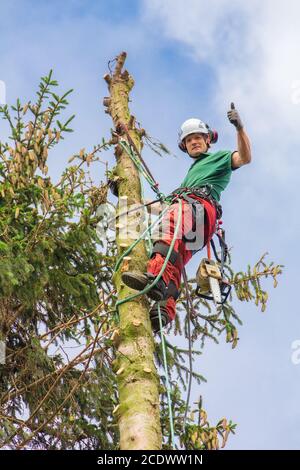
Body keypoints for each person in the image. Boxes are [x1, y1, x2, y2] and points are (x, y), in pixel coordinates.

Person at [121, 103, 252, 332]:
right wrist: (128, 198)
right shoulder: (189, 178)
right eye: (189, 140)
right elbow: (164, 207)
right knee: (176, 257)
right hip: (195, 219)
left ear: (208, 140)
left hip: (199, 208)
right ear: (184, 146)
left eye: (198, 137)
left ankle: (155, 278)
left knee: (167, 230)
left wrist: (240, 128)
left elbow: (245, 157)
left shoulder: (219, 158)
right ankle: (164, 308)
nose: (193, 142)